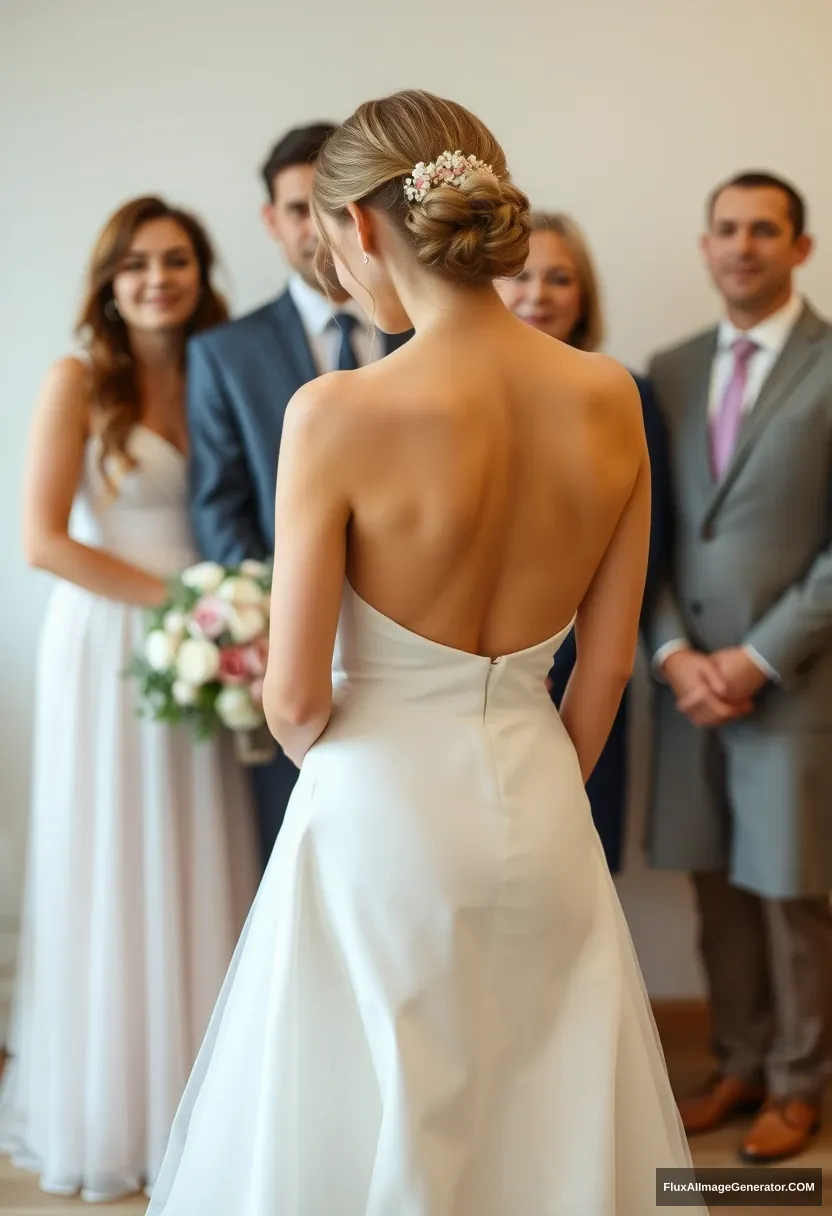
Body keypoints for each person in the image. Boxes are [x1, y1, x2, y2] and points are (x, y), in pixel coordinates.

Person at [147, 91, 704, 1215]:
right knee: (542, 1117)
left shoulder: (336, 410)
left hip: (377, 814)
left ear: (358, 227)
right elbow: (601, 671)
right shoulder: (608, 397)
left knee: (374, 1123)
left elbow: (295, 697)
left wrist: (369, 764)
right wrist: (537, 766)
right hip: (542, 801)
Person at [0, 196, 258, 1202]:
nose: (159, 277)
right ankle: (111, 1109)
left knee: (203, 852)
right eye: (138, 263)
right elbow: (44, 541)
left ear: (202, 272)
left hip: (216, 640)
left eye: (179, 260)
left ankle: (207, 1101)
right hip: (111, 639)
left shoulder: (221, 370)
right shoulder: (79, 380)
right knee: (112, 858)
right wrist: (190, 601)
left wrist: (224, 614)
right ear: (108, 281)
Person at [648, 171, 832, 1162]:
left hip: (795, 683)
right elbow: (654, 534)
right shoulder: (666, 370)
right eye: (725, 228)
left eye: (765, 230)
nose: (742, 245)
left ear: (799, 248)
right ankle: (736, 1062)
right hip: (686, 690)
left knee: (789, 889)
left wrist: (756, 658)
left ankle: (802, 1082)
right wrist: (675, 654)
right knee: (713, 884)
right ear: (704, 242)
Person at [187, 122, 411, 868]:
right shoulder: (225, 351)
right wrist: (276, 623)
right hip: (287, 652)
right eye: (296, 208)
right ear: (271, 221)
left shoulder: (426, 334)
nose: (318, 227)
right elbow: (220, 504)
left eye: (333, 203)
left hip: (417, 648)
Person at [497, 212, 671, 872]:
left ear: (584, 295)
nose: (538, 293)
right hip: (471, 676)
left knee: (572, 869)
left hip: (585, 665)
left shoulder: (626, 394)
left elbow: (646, 542)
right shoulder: (450, 393)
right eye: (520, 275)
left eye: (559, 278)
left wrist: (557, 648)